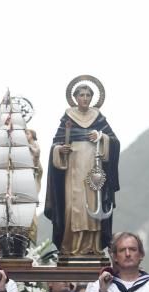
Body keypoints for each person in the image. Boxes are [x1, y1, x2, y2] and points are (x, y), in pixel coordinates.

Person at [44, 81, 120, 256]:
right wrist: (59, 150)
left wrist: (101, 137)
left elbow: (114, 141)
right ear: (75, 98)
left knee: (94, 205)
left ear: (92, 98)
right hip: (73, 169)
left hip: (94, 170)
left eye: (88, 95)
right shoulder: (68, 118)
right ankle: (72, 247)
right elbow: (57, 142)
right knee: (73, 206)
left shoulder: (98, 117)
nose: (85, 98)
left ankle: (92, 246)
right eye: (81, 95)